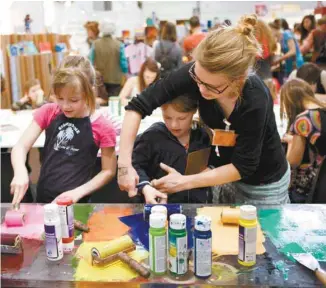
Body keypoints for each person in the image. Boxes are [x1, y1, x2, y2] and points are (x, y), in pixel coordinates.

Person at [118, 14, 290, 205]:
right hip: (221, 176)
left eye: (211, 87)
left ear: (238, 80)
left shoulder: (254, 97)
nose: (201, 89)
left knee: (262, 234)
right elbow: (138, 105)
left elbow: (244, 166)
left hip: (264, 185)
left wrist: (185, 182)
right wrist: (124, 166)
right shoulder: (199, 72)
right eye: (198, 80)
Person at [10, 55, 117, 205]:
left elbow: (108, 171)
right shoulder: (49, 112)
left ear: (90, 92)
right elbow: (21, 146)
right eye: (60, 98)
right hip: (44, 198)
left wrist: (77, 192)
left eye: (74, 100)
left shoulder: (102, 126)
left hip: (77, 202)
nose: (65, 106)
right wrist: (20, 171)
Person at [132, 95, 213, 204]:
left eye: (181, 118)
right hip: (159, 204)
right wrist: (145, 187)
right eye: (167, 118)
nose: (174, 125)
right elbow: (135, 165)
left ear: (194, 111)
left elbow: (212, 163)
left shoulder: (202, 136)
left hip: (196, 205)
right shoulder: (152, 136)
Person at [280, 79, 326, 203]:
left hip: (307, 187)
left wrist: (290, 142)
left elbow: (293, 161)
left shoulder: (303, 120)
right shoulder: (322, 110)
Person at [89, 21, 128, 97]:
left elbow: (90, 61)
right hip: (115, 79)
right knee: (114, 102)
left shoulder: (95, 44)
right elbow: (124, 64)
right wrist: (125, 74)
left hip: (99, 80)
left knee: (101, 102)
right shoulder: (119, 44)